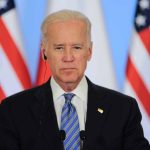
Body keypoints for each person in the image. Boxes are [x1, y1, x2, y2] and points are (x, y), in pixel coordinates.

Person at [0, 9, 149, 150]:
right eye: (59, 48)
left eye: (76, 47)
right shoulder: (14, 110)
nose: (68, 57)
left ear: (89, 51)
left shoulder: (122, 109)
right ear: (44, 51)